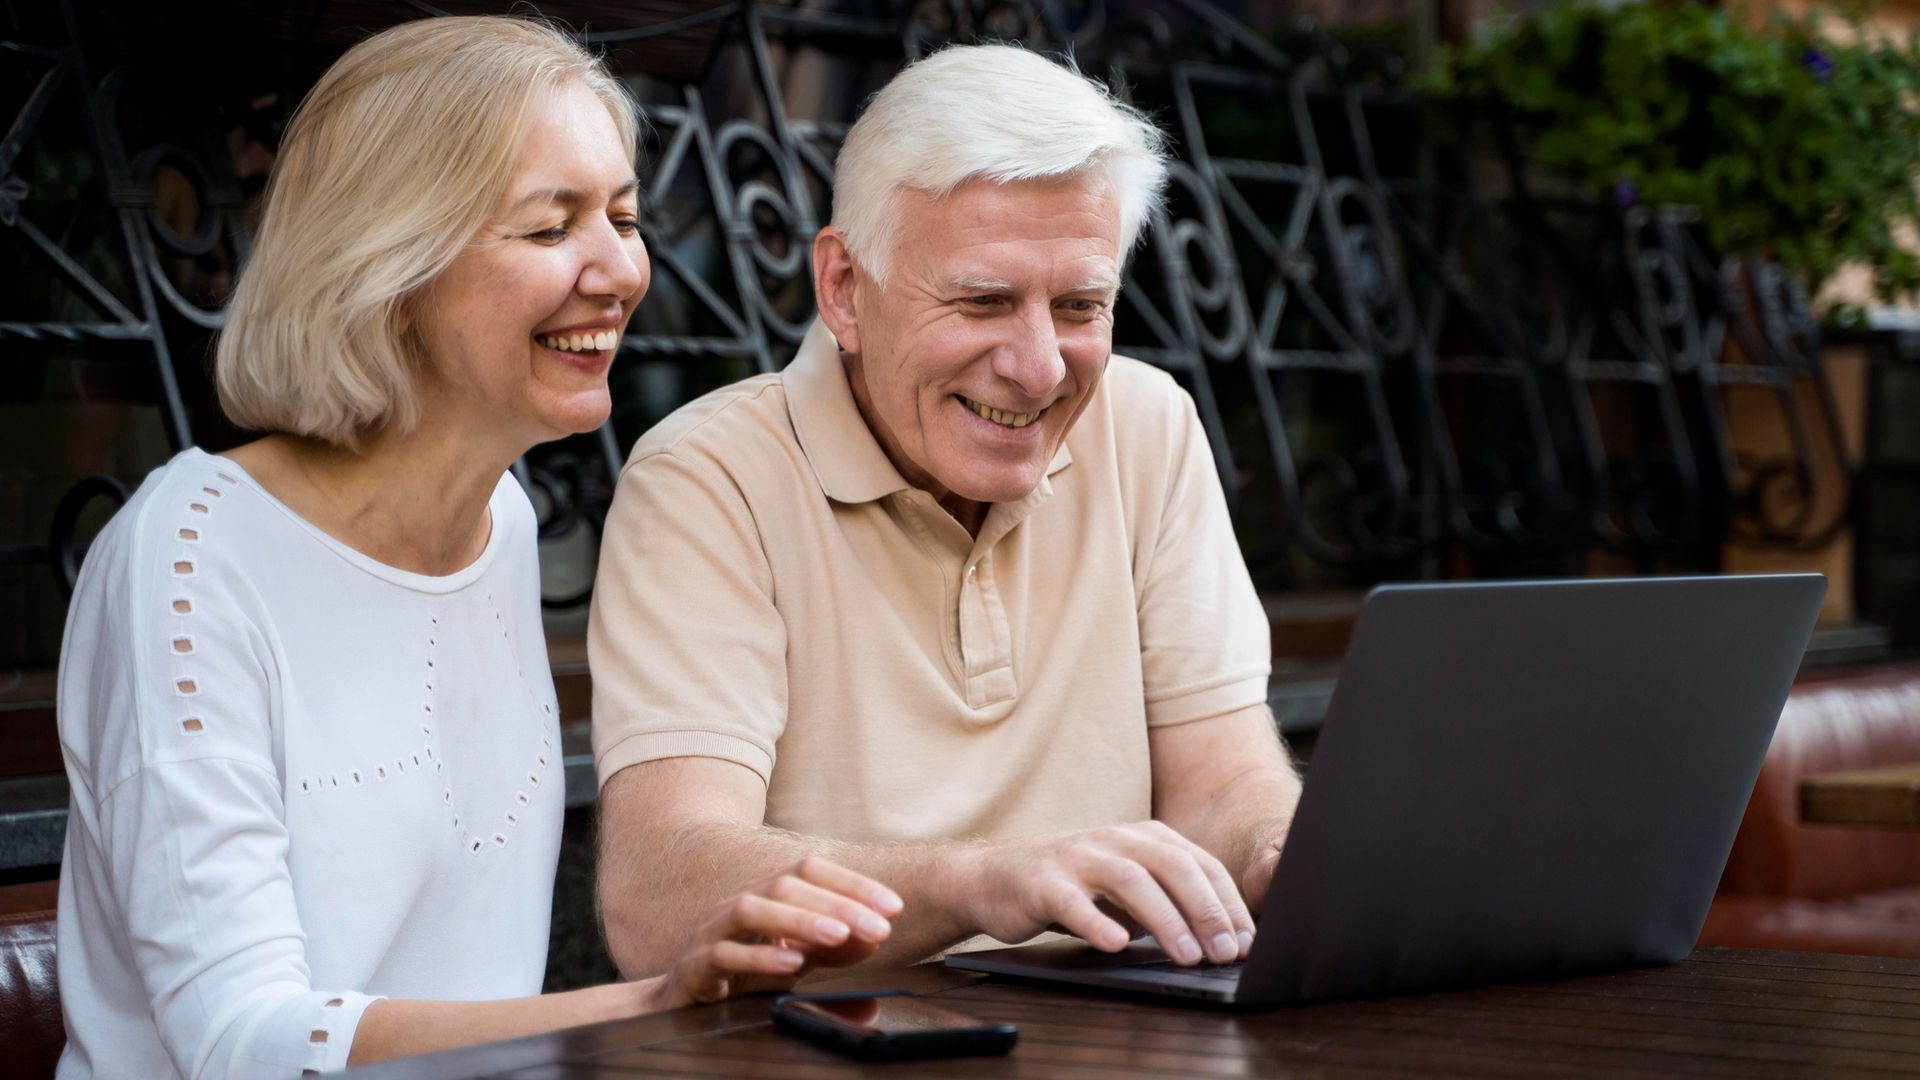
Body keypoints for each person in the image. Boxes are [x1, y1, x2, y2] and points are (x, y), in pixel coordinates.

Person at [53, 18, 898, 1079]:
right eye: (551, 231)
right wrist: (648, 1005)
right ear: (389, 265)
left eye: (625, 217)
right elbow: (241, 1041)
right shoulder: (187, 559)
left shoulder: (502, 525)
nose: (619, 270)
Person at [589, 43, 1302, 979]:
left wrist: (1283, 856)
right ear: (844, 288)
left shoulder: (1147, 423)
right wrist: (985, 884)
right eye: (984, 300)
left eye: (1082, 304)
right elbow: (658, 896)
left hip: (1120, 1039)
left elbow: (1227, 782)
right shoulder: (708, 475)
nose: (1041, 366)